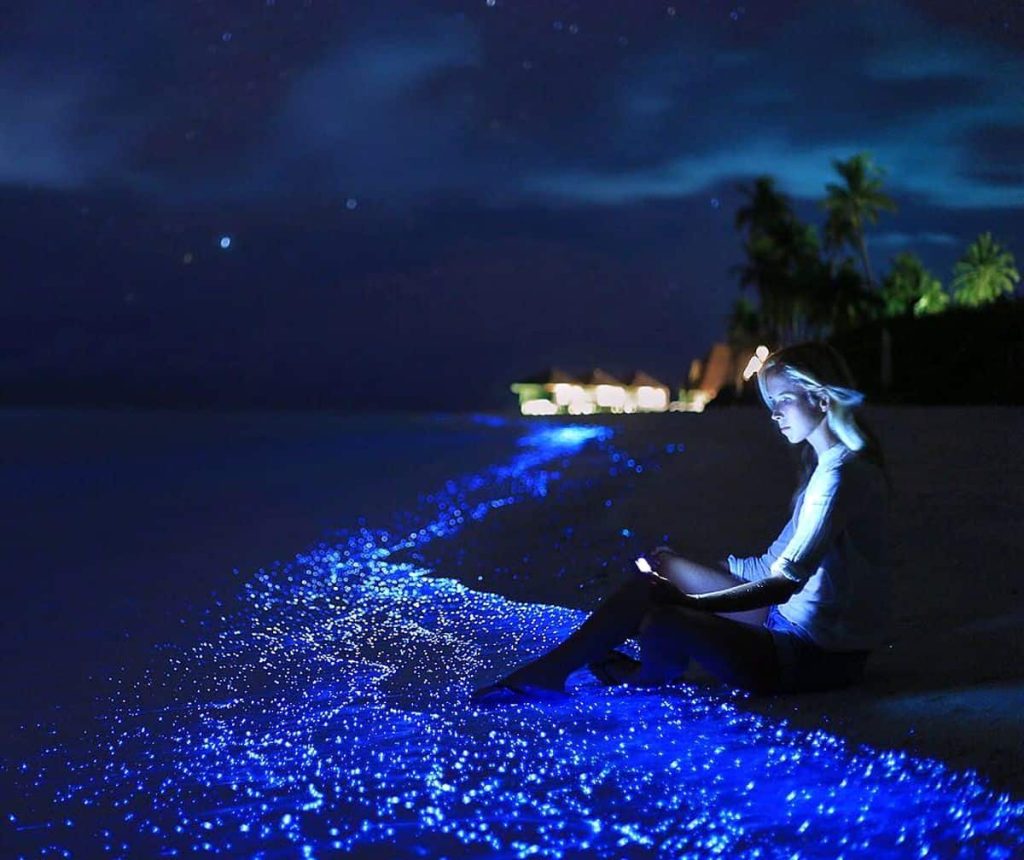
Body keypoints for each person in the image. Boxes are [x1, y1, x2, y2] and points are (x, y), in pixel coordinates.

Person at [472, 342, 890, 703]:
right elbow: (772, 565)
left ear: (820, 398)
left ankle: (641, 677)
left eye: (783, 400)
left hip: (810, 657)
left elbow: (785, 583)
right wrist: (691, 571)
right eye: (771, 403)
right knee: (659, 574)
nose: (774, 414)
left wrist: (691, 602)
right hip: (786, 623)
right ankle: (566, 670)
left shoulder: (840, 477)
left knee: (666, 615)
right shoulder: (829, 467)